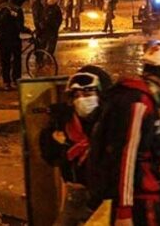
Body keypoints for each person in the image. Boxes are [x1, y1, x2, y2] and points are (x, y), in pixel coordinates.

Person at [87, 40, 160, 226]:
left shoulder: (143, 99)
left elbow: (153, 153)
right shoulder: (138, 102)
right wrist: (124, 212)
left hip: (143, 200)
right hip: (139, 203)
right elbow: (126, 158)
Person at [39, 66, 113, 226]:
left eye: (87, 93)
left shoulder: (111, 124)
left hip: (105, 202)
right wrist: (51, 132)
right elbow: (50, 156)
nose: (81, 99)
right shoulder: (67, 123)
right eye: (76, 95)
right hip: (75, 200)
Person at [0, 0, 29, 90]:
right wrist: (28, 31)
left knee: (5, 61)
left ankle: (6, 83)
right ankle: (16, 81)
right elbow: (20, 26)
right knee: (17, 60)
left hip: (3, 38)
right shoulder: (17, 9)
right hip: (14, 38)